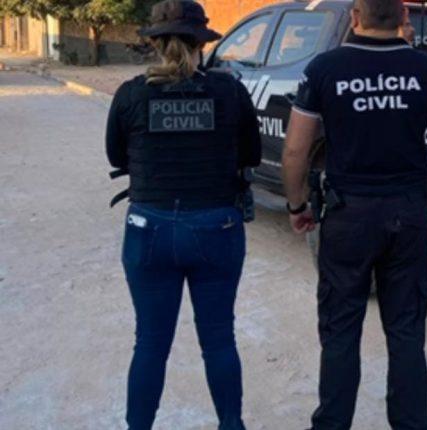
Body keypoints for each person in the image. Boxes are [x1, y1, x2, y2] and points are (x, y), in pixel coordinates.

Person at [282, 0, 427, 428]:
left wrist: (297, 204)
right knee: (406, 331)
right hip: (407, 212)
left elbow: (294, 152)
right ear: (404, 18)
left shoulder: (324, 68)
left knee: (340, 328)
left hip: (347, 214)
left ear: (355, 17)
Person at [105, 1, 262, 429]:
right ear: (201, 43)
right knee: (219, 340)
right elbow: (251, 154)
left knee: (150, 344)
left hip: (149, 229)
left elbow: (116, 156)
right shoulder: (229, 91)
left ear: (155, 43)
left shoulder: (131, 94)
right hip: (216, 226)